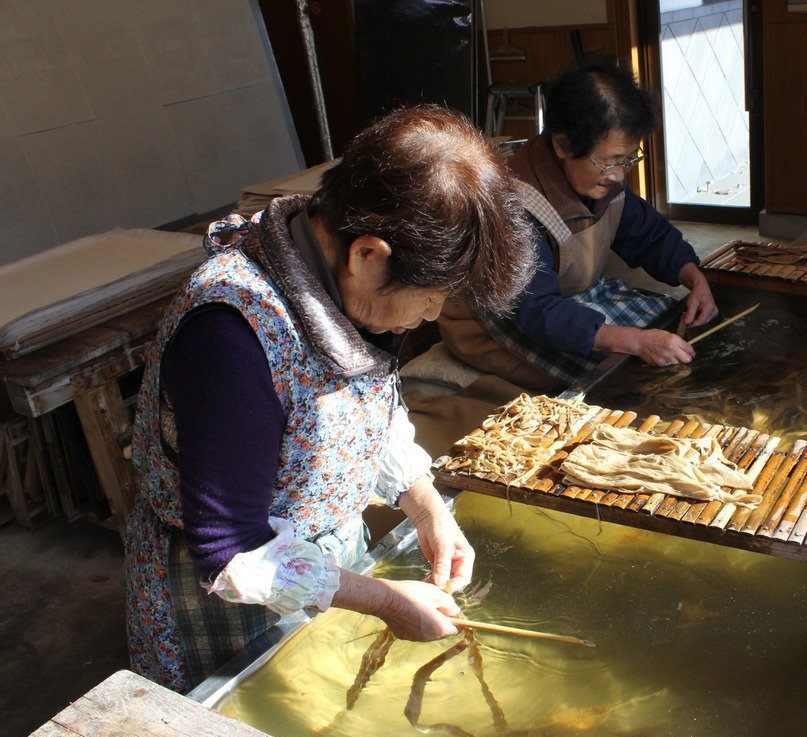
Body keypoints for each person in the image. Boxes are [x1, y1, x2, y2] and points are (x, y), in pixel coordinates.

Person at [125, 105, 536, 693]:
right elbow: (230, 552)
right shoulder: (231, 333)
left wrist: (426, 508)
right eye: (432, 294)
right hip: (227, 596)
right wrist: (387, 601)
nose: (433, 314)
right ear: (366, 253)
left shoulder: (339, 283)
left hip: (325, 567)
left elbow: (368, 408)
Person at [436, 57, 719, 391]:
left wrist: (696, 281)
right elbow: (538, 313)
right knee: (634, 376)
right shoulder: (513, 205)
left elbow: (649, 235)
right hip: (509, 320)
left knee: (678, 330)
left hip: (572, 297)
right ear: (562, 144)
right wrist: (636, 342)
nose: (618, 174)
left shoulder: (601, 178)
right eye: (609, 162)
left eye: (628, 160)